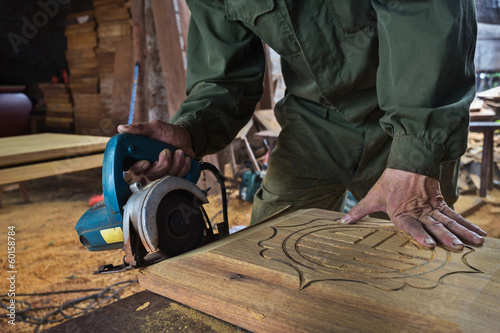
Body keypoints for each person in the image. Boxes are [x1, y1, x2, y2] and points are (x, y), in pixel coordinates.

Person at [118, 0, 486, 250]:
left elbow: (427, 12)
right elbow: (224, 76)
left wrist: (416, 151)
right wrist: (191, 130)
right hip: (313, 119)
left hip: (412, 109)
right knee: (266, 252)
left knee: (418, 266)